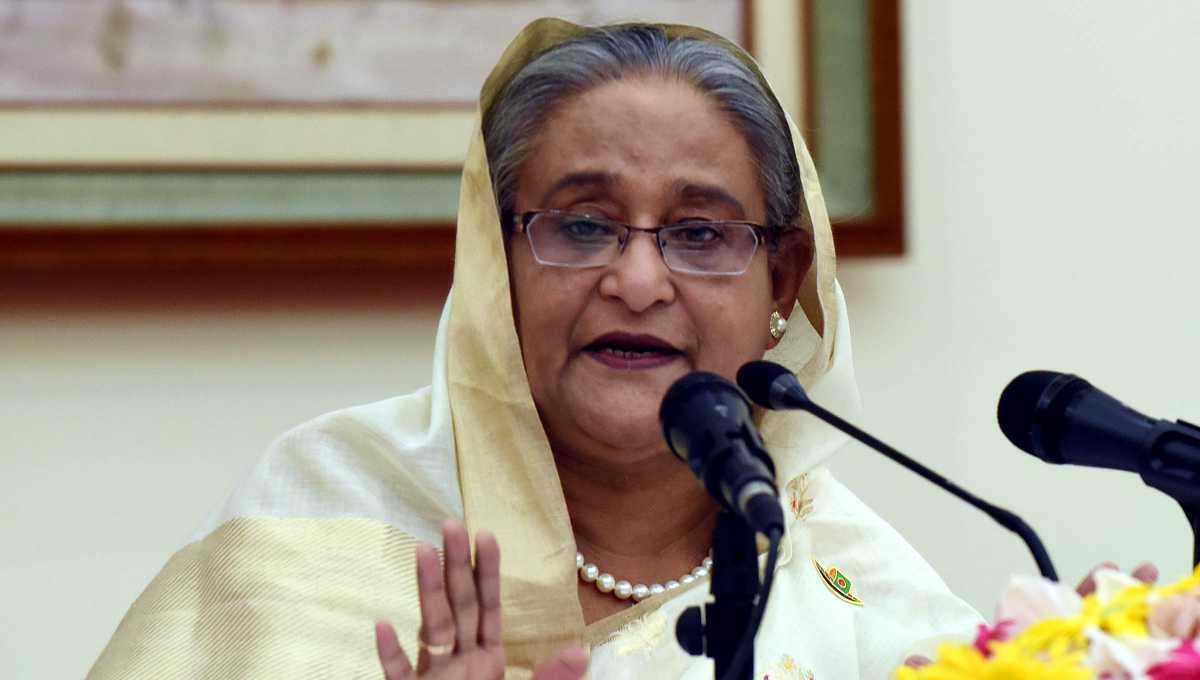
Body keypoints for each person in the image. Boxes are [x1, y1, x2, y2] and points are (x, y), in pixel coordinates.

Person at [90, 19, 985, 679]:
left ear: (782, 283)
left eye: (700, 234)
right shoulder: (321, 526)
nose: (638, 281)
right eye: (584, 225)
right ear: (497, 263)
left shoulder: (860, 596)